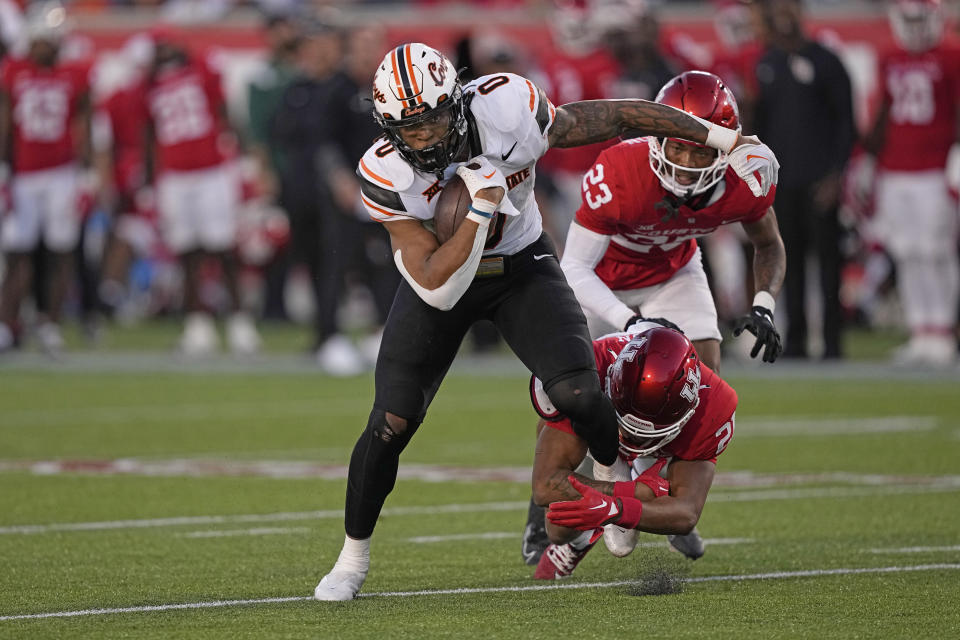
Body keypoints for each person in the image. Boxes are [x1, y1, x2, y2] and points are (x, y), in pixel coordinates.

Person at [312, 42, 778, 602]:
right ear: (388, 128)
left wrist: (727, 140)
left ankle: (612, 484)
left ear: (457, 100)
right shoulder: (383, 174)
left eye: (436, 118)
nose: (429, 137)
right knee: (390, 423)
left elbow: (620, 115)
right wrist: (478, 213)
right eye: (412, 129)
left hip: (522, 264)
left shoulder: (509, 108)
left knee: (581, 390)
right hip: (440, 283)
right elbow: (438, 284)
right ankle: (353, 556)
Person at [519, 70, 784, 567]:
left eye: (697, 150)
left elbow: (768, 243)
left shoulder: (744, 180)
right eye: (676, 145)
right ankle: (540, 512)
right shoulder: (621, 168)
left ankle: (664, 498)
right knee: (569, 395)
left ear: (722, 148)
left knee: (698, 385)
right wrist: (629, 323)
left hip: (673, 274)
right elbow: (573, 265)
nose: (684, 161)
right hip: (601, 284)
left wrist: (764, 302)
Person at [530, 324, 738, 579]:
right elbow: (545, 486)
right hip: (600, 428)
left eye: (641, 432)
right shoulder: (591, 368)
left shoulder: (714, 405)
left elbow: (686, 513)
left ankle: (623, 497)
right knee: (558, 528)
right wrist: (632, 492)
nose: (629, 438)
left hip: (661, 450)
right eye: (627, 426)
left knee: (653, 514)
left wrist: (615, 508)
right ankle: (579, 542)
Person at [138, 26, 261, 356]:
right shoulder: (149, 84)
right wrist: (149, 179)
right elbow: (149, 134)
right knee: (187, 252)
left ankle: (239, 322)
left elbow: (224, 113)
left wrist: (244, 154)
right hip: (175, 177)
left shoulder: (203, 69)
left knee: (223, 248)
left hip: (211, 172)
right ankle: (197, 323)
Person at [854, 0, 959, 367]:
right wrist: (869, 159)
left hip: (933, 166)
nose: (914, 28)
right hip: (895, 168)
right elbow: (883, 108)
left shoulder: (952, 55)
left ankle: (942, 330)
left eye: (920, 20)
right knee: (907, 251)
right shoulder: (890, 56)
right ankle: (921, 330)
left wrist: (956, 154)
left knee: (935, 250)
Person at [751, 0, 856, 359]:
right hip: (782, 182)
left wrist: (835, 175)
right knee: (786, 262)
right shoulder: (768, 63)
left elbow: (846, 122)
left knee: (828, 265)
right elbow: (760, 129)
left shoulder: (827, 60)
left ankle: (832, 344)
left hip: (818, 181)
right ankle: (794, 342)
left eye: (790, 7)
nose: (784, 15)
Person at [0, 2, 91, 353]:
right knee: (18, 250)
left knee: (60, 250)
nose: (48, 48)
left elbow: (85, 124)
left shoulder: (74, 74)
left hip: (62, 173)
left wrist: (86, 174)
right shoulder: (15, 71)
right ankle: (8, 324)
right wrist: (5, 166)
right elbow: (6, 123)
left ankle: (50, 323)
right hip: (24, 175)